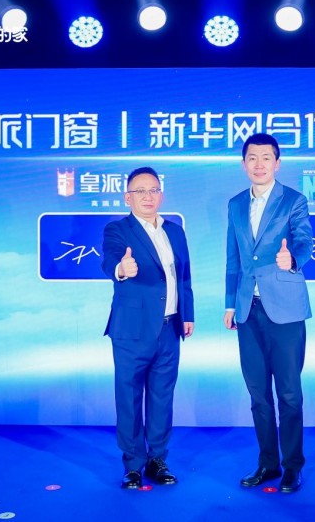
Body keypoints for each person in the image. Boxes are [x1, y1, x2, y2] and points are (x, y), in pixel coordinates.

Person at [224, 133, 313, 493]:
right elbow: (233, 257)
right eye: (252, 158)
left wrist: (293, 259)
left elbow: (304, 241)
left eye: (266, 158)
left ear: (277, 163)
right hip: (248, 309)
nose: (258, 164)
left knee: (289, 394)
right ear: (243, 163)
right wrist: (231, 303)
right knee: (258, 394)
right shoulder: (235, 204)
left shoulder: (294, 200)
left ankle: (292, 466)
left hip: (286, 310)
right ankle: (268, 463)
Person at [101, 167, 195, 490]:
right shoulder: (118, 230)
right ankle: (132, 465)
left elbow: (184, 276)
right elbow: (109, 261)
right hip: (132, 330)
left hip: (169, 328)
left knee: (162, 397)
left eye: (153, 190)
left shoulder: (175, 231)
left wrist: (187, 314)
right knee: (129, 397)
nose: (147, 196)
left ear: (161, 195)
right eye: (140, 191)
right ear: (127, 197)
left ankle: (157, 460)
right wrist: (121, 268)